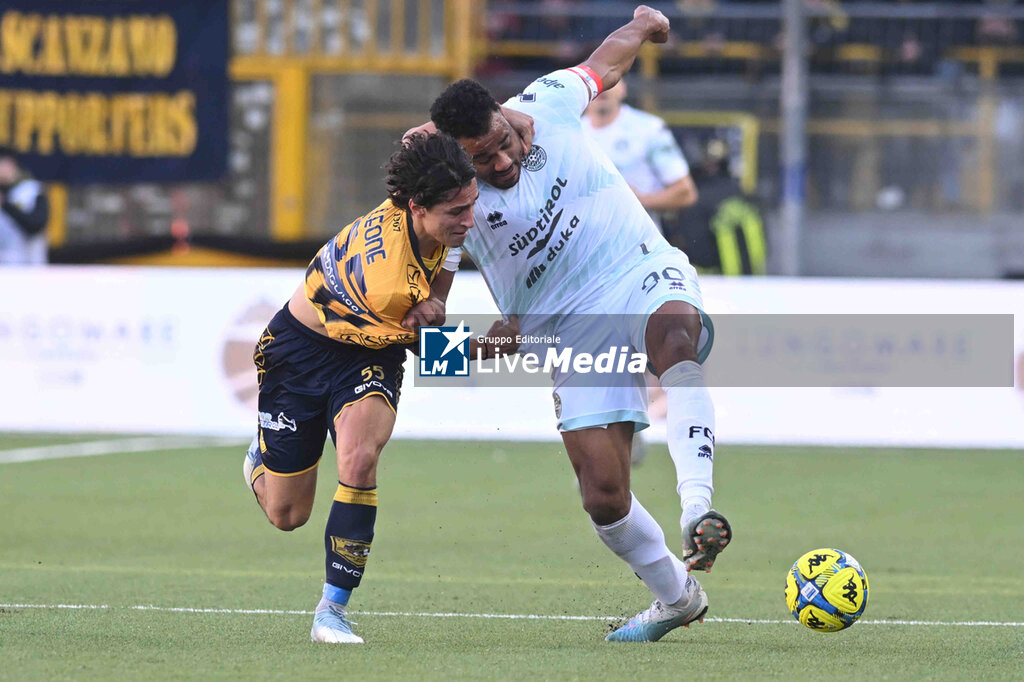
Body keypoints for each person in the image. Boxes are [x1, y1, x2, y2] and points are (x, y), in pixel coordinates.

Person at [426, 5, 731, 642]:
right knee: (603, 497)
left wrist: (644, 24)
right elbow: (445, 321)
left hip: (637, 267)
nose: (500, 163)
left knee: (675, 339)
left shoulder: (549, 102)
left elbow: (606, 62)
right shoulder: (452, 202)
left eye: (502, 144)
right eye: (482, 160)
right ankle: (677, 598)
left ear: (504, 114)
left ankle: (697, 508)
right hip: (566, 329)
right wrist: (452, 348)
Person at [241, 133, 515, 644]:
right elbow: (435, 356)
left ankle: (331, 612)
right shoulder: (389, 283)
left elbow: (445, 254)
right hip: (297, 352)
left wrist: (437, 300)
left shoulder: (427, 204)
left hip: (368, 352)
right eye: (457, 211)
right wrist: (501, 344)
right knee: (287, 515)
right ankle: (259, 459)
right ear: (417, 208)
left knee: (360, 458)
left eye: (472, 203)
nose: (470, 220)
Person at [583, 79, 698, 234]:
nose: (602, 86)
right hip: (586, 242)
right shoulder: (569, 134)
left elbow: (685, 193)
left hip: (638, 241)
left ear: (623, 88)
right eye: (593, 79)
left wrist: (637, 201)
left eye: (609, 79)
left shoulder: (649, 128)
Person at [670, 138, 767, 275]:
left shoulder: (695, 199)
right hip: (753, 279)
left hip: (709, 278)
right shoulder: (744, 195)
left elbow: (693, 246)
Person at [0, 149, 49, 265]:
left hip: (29, 267)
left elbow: (35, 225)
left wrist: (6, 205)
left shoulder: (32, 190)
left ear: (10, 164)